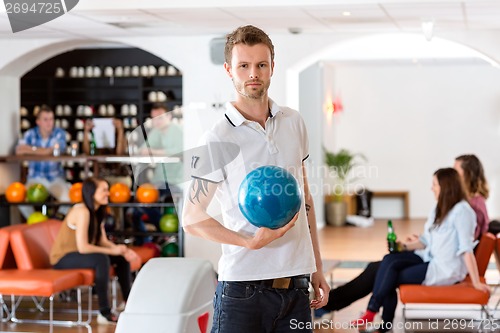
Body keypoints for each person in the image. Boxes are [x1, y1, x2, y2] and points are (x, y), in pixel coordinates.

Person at [182, 25, 329, 333]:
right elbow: (192, 219)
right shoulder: (216, 138)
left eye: (261, 64)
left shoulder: (294, 122)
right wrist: (248, 241)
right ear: (229, 70)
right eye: (244, 66)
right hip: (242, 291)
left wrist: (316, 266)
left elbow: (306, 200)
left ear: (273, 66)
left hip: (296, 288)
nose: (254, 74)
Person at [317, 154, 491, 318]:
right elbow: (442, 238)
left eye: (456, 171)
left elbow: (463, 246)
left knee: (381, 271)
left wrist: (474, 281)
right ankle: (335, 306)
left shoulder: (469, 207)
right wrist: (413, 243)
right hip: (432, 256)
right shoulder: (451, 204)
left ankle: (343, 307)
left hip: (445, 264)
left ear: (466, 176)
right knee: (379, 265)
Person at [351, 168, 489, 333]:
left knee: (390, 275)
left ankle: (375, 316)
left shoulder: (463, 211)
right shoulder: (439, 208)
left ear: (446, 187)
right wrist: (404, 247)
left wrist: (475, 282)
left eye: (435, 184)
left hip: (443, 268)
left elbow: (466, 249)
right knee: (389, 259)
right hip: (428, 258)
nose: (432, 188)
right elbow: (426, 240)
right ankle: (373, 314)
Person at [50, 177, 138, 324]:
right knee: (101, 259)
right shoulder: (82, 211)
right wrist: (113, 251)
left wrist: (121, 250)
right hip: (62, 258)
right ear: (91, 193)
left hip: (79, 255)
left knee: (121, 259)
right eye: (104, 190)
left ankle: (129, 303)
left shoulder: (98, 211)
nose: (108, 193)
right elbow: (83, 247)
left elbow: (102, 241)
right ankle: (104, 312)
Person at [15, 104, 70, 218]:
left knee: (70, 198)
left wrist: (31, 150)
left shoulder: (59, 133)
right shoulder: (30, 134)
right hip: (35, 178)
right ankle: (36, 222)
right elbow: (19, 150)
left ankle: (57, 220)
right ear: (38, 121)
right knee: (20, 198)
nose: (49, 122)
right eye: (45, 119)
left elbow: (57, 149)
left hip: (56, 178)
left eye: (51, 119)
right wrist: (44, 151)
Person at [83, 118, 131, 186]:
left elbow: (119, 154)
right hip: (102, 178)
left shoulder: (121, 138)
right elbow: (87, 152)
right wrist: (86, 131)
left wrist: (120, 130)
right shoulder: (97, 142)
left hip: (120, 177)